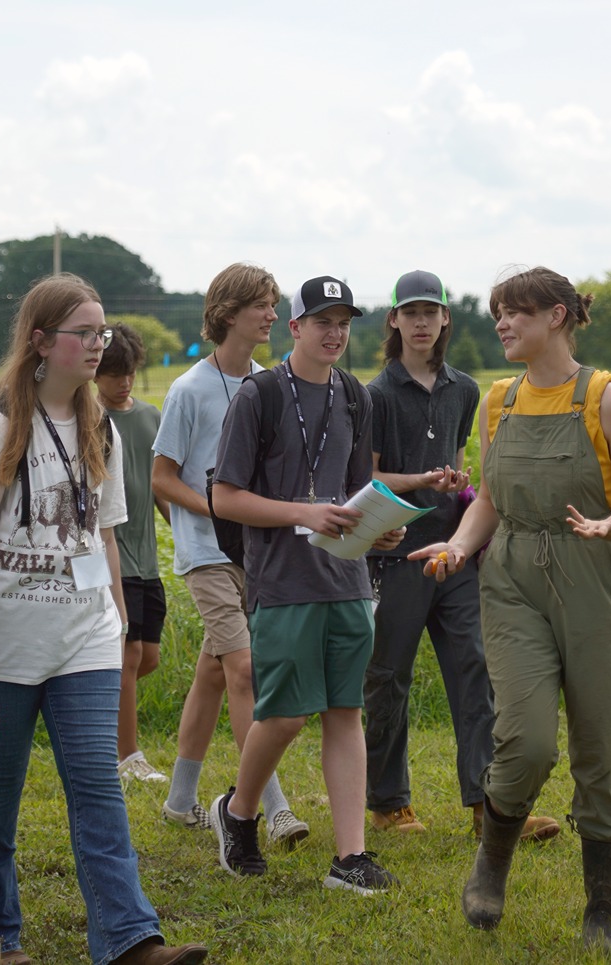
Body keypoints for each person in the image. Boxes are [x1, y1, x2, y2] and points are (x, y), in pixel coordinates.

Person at [0, 274, 208, 965]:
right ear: (39, 340)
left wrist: (115, 616)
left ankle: (128, 940)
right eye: (82, 333)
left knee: (96, 785)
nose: (97, 345)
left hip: (83, 634)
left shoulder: (100, 425)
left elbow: (105, 534)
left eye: (102, 332)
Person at [408, 267, 611, 954]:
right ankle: (491, 859)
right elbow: (488, 496)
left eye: (513, 313)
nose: (501, 324)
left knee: (597, 754)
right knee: (524, 741)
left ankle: (601, 911)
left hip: (590, 581)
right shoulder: (498, 400)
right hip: (512, 576)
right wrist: (460, 547)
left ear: (556, 316)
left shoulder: (605, 399)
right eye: (495, 314)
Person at [207, 275, 404, 895]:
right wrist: (302, 512)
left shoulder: (354, 396)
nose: (335, 333)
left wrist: (376, 531)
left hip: (347, 578)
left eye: (344, 323)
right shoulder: (259, 395)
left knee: (346, 710)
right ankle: (237, 813)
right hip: (283, 580)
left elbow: (351, 491)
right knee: (287, 715)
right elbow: (225, 496)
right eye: (322, 322)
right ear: (294, 328)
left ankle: (350, 858)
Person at [363, 271, 561, 843]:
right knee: (388, 676)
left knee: (475, 669)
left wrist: (453, 484)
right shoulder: (374, 395)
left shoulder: (464, 389)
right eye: (410, 313)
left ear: (446, 318)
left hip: (453, 550)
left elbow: (453, 459)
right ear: (394, 321)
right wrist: (423, 479)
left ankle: (487, 804)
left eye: (432, 312)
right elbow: (369, 477)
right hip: (397, 551)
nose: (421, 323)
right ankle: (389, 802)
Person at [152, 263, 308, 849]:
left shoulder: (269, 384)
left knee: (216, 670)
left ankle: (179, 800)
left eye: (273, 304)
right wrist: (215, 509)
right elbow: (160, 478)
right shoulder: (188, 389)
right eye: (262, 305)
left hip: (258, 551)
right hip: (207, 553)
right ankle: (270, 809)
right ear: (228, 312)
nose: (273, 315)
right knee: (244, 668)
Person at [92, 323, 170, 784]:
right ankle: (128, 757)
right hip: (110, 555)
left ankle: (90, 702)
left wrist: (182, 528)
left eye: (129, 372)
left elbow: (160, 483)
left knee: (148, 658)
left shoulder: (150, 417)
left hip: (148, 559)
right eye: (112, 373)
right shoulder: (89, 420)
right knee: (130, 655)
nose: (123, 382)